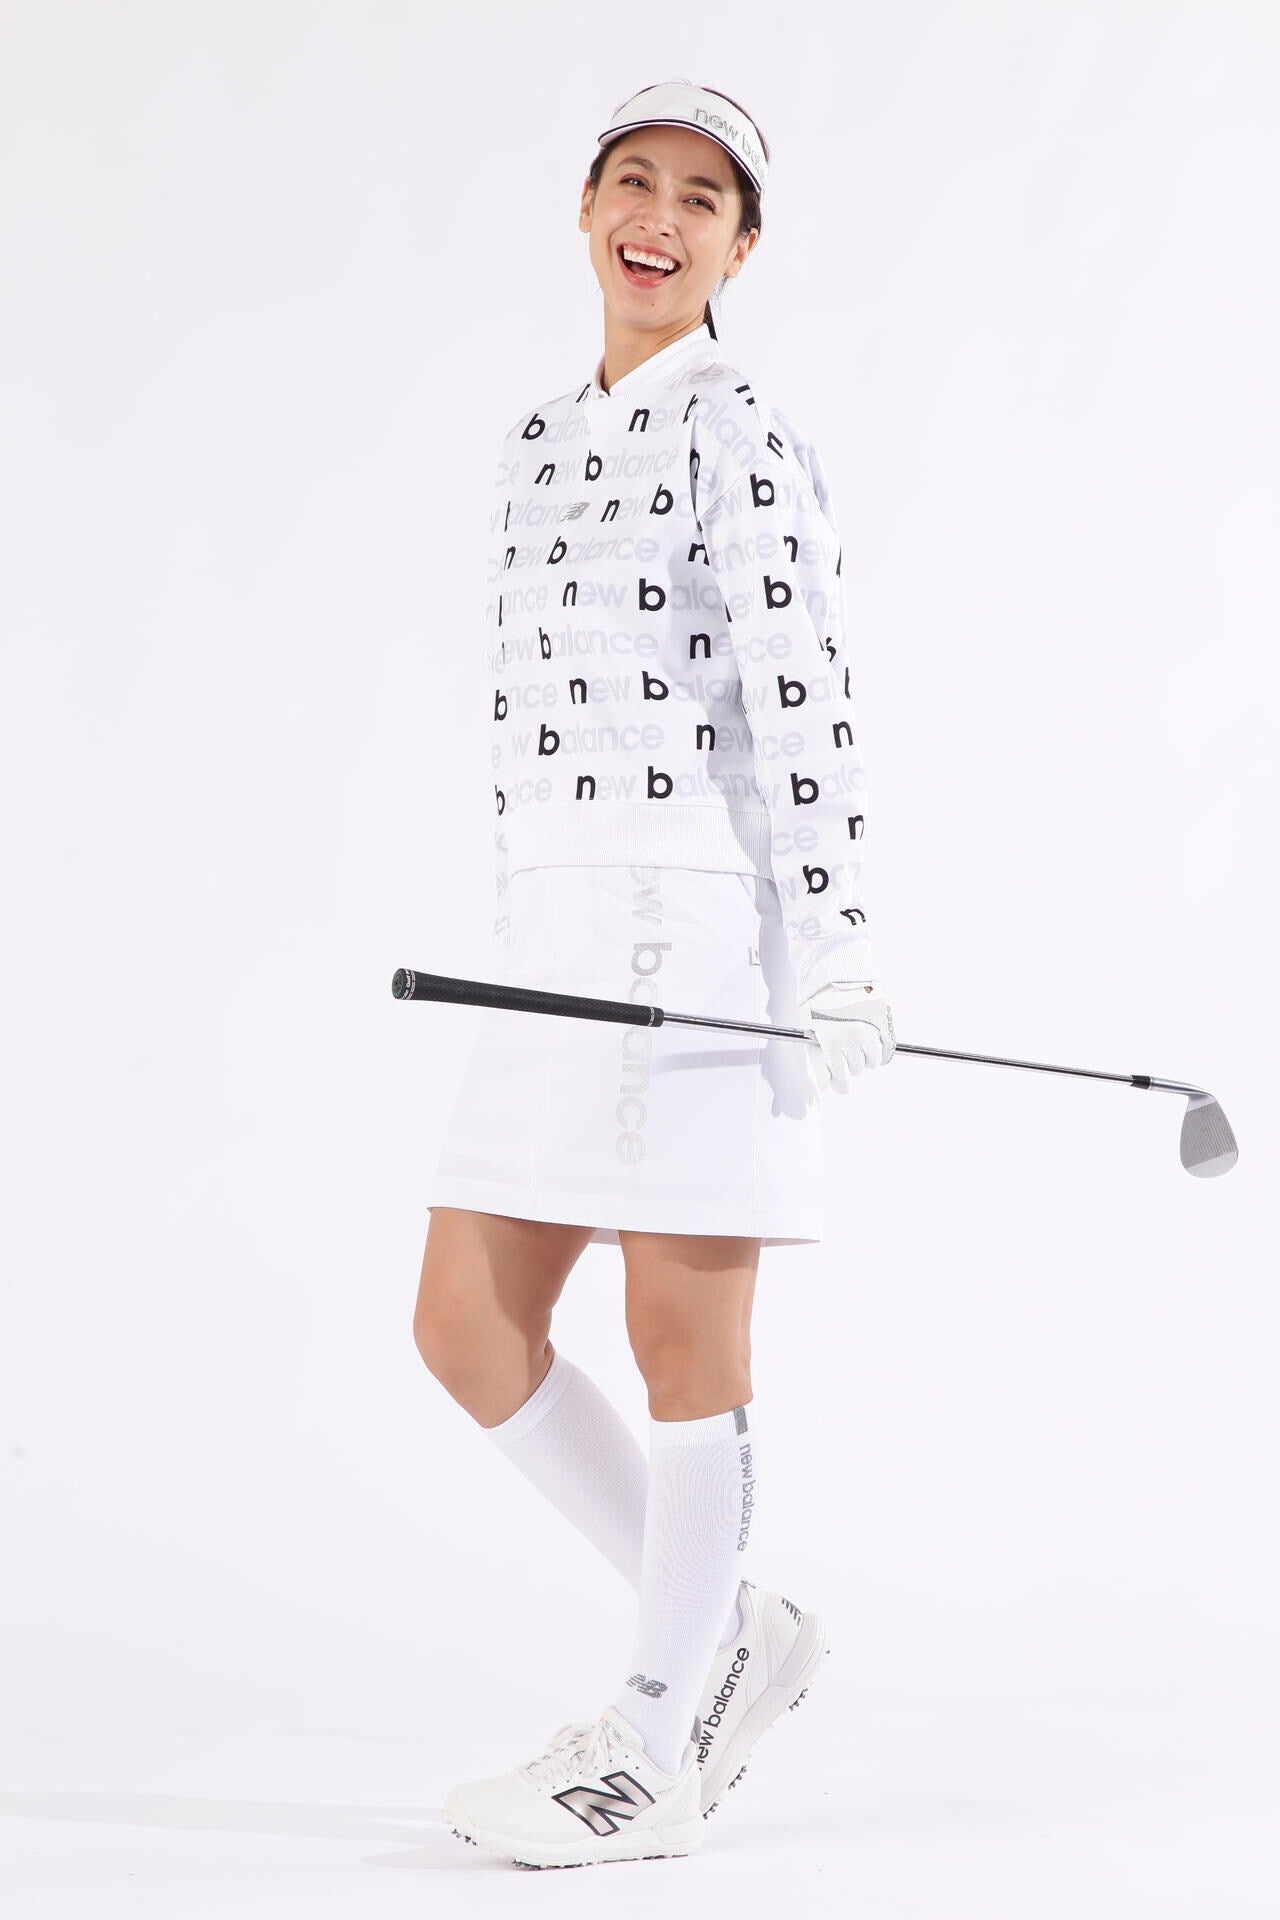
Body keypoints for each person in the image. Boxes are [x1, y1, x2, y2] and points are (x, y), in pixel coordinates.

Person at [413, 79, 895, 1869]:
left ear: (741, 248)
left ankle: (651, 1742)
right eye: (636, 181)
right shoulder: (536, 442)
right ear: (588, 208)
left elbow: (805, 702)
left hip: (688, 930)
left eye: (704, 198)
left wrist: (836, 947)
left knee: (681, 1339)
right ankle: (731, 1634)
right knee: (465, 1323)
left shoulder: (739, 430)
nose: (661, 217)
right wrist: (522, 912)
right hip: (551, 939)